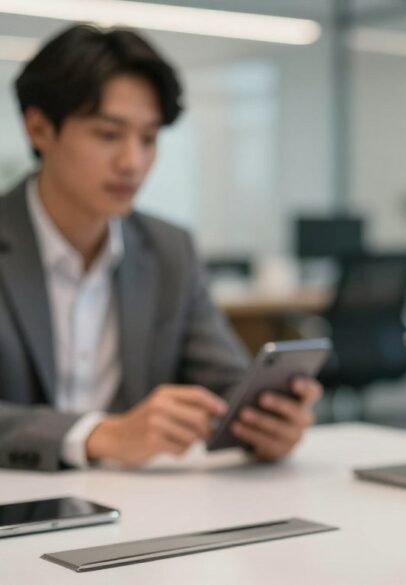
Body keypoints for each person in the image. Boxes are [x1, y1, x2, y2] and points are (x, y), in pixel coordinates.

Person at [0, 24, 322, 472]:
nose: (132, 162)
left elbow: (228, 383)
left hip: (140, 513)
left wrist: (267, 422)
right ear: (39, 128)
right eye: (108, 134)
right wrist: (99, 434)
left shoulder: (170, 250)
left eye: (148, 139)